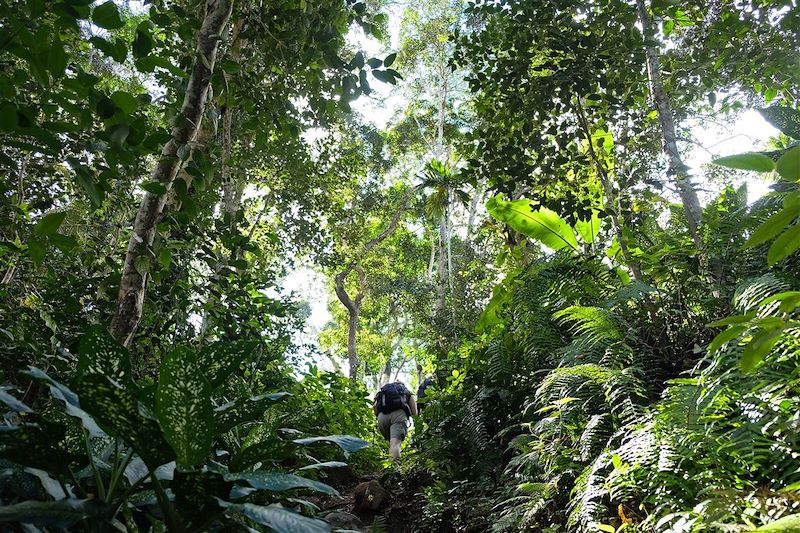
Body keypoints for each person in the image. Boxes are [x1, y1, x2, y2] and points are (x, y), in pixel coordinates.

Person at [373, 381, 417, 460]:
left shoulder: (384, 392)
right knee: (395, 444)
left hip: (381, 417)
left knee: (391, 443)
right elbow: (414, 412)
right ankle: (394, 468)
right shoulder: (406, 392)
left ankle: (389, 462)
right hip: (398, 416)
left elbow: (374, 406)